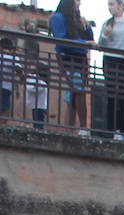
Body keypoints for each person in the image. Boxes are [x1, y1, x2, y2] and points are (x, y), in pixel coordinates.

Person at [50, 0, 96, 135]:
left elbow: (90, 39)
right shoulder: (57, 17)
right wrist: (84, 43)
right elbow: (62, 40)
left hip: (80, 59)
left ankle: (72, 129)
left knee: (73, 93)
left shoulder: (77, 19)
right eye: (77, 1)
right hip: (67, 57)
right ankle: (82, 128)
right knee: (77, 91)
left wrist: (87, 27)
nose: (79, 4)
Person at [98, 0, 124, 139]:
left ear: (121, 6)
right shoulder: (107, 23)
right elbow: (100, 45)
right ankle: (112, 130)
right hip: (110, 59)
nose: (110, 7)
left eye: (112, 4)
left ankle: (123, 130)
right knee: (111, 95)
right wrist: (105, 35)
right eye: (109, 4)